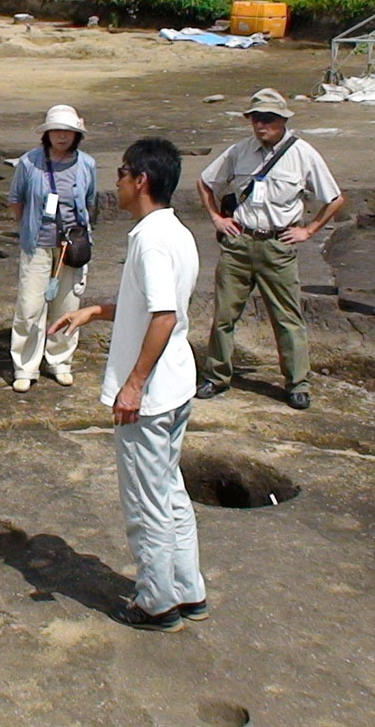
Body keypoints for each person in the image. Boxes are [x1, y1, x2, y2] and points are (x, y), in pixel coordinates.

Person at [49, 138, 205, 632]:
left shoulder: (150, 241)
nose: (114, 181)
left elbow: (164, 315)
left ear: (141, 180)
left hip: (152, 397)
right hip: (176, 384)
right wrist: (94, 311)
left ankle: (156, 603)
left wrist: (133, 384)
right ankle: (188, 589)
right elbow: (149, 305)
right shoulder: (175, 231)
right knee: (170, 492)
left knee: (146, 502)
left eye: (121, 172)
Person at [195, 88, 345, 411]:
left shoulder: (302, 153)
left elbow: (334, 198)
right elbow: (206, 182)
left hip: (278, 246)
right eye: (256, 118)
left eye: (268, 118)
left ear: (282, 120)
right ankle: (216, 376)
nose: (261, 125)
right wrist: (217, 218)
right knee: (224, 315)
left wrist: (309, 230)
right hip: (239, 243)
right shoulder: (239, 151)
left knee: (287, 318)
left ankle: (297, 383)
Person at [8, 104, 96, 392]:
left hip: (72, 246)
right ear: (46, 133)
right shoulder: (29, 162)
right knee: (29, 307)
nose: (62, 136)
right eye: (56, 130)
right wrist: (28, 228)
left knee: (67, 305)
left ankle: (60, 361)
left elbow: (90, 201)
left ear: (76, 135)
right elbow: (16, 199)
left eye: (68, 131)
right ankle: (25, 366)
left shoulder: (86, 164)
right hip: (38, 244)